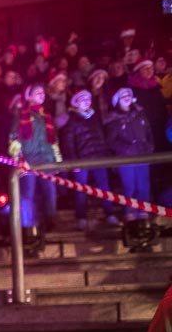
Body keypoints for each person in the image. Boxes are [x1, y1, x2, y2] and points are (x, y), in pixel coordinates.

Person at [9, 84, 62, 243]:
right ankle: (28, 225)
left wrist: (57, 159)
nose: (41, 94)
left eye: (42, 92)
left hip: (46, 158)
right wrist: (17, 159)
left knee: (50, 192)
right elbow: (13, 138)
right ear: (29, 96)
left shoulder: (47, 116)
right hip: (29, 159)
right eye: (37, 92)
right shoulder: (21, 115)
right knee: (28, 194)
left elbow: (54, 140)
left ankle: (51, 220)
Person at [60, 90, 118, 228]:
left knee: (104, 186)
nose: (86, 101)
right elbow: (69, 143)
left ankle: (109, 213)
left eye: (88, 99)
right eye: (82, 99)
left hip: (98, 157)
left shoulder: (95, 117)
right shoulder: (72, 121)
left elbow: (101, 137)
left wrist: (106, 155)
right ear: (76, 103)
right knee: (81, 189)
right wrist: (74, 162)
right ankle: (81, 217)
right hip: (82, 160)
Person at [106, 87, 154, 222]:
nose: (126, 97)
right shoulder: (114, 119)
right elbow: (111, 141)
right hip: (126, 158)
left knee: (143, 185)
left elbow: (148, 132)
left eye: (128, 95)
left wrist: (149, 147)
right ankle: (130, 211)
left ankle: (143, 210)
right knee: (129, 186)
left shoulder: (140, 113)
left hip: (142, 155)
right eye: (123, 96)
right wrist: (125, 149)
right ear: (117, 101)